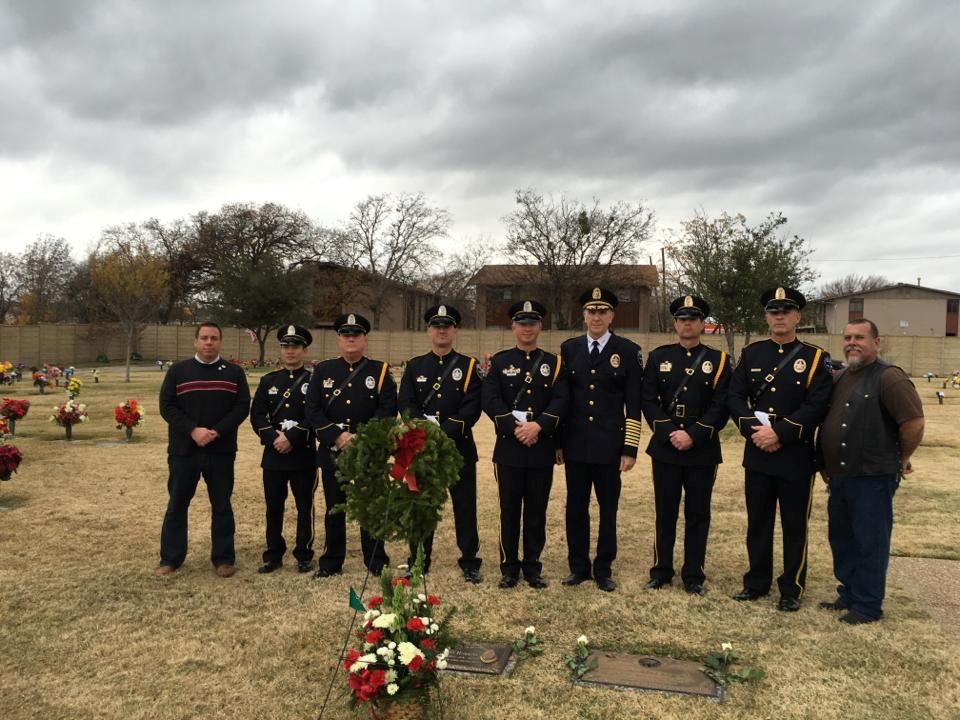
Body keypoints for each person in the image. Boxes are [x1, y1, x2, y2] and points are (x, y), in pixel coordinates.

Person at [728, 287, 832, 611]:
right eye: (774, 311)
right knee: (758, 523)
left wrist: (780, 433)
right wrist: (755, 431)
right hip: (757, 452)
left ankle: (792, 587)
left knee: (794, 525)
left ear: (797, 316)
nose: (779, 316)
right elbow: (734, 397)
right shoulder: (752, 354)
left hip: (795, 457)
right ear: (766, 317)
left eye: (786, 311)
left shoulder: (815, 358)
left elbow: (818, 405)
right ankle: (756, 583)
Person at [818, 318, 924, 624]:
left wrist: (901, 458)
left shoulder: (889, 378)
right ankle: (849, 592)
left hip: (872, 476)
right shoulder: (841, 376)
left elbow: (913, 423)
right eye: (848, 337)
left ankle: (867, 605)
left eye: (860, 337)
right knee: (843, 538)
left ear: (876, 342)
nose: (852, 342)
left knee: (870, 541)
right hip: (840, 476)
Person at [640, 295, 731, 595]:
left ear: (702, 324)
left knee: (698, 514)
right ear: (675, 324)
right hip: (666, 447)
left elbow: (722, 405)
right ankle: (661, 570)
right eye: (682, 319)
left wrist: (693, 433)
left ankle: (693, 574)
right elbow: (648, 400)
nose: (687, 323)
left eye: (693, 318)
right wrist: (669, 432)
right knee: (665, 512)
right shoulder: (658, 357)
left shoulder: (718, 361)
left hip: (701, 447)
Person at [557, 287, 643, 592]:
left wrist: (630, 448)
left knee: (608, 510)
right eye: (591, 311)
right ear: (583, 315)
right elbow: (562, 399)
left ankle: (603, 568)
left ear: (611, 316)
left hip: (610, 446)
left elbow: (634, 404)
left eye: (602, 311)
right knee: (575, 508)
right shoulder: (569, 349)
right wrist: (558, 443)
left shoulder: (628, 351)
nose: (596, 317)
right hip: (576, 444)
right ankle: (578, 567)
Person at [481, 300, 568, 589]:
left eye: (533, 323)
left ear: (540, 327)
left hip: (541, 445)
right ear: (513, 327)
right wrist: (514, 426)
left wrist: (539, 426)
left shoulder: (554, 363)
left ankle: (532, 567)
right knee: (508, 510)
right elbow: (490, 399)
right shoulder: (501, 362)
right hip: (509, 446)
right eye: (522, 323)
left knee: (536, 511)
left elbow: (561, 399)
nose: (527, 328)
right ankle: (509, 567)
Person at [305, 313, 398, 578]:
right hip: (333, 450)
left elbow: (388, 409)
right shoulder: (323, 370)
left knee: (371, 505)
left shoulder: (379, 370)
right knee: (335, 506)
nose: (351, 339)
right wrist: (337, 435)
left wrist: (362, 437)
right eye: (346, 334)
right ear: (339, 339)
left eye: (356, 334)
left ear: (364, 338)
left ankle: (376, 559)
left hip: (368, 451)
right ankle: (332, 560)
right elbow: (312, 409)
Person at [156, 322, 251, 577]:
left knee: (221, 504)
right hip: (184, 450)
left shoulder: (234, 373)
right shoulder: (178, 371)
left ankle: (223, 559)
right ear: (196, 341)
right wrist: (193, 430)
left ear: (220, 342)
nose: (209, 342)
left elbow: (242, 407)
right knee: (177, 503)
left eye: (214, 338)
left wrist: (216, 431)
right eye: (204, 338)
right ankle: (171, 558)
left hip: (220, 451)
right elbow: (167, 406)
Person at [398, 304, 483, 583]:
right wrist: (425, 431)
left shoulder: (469, 366)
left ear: (455, 330)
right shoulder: (414, 366)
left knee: (465, 506)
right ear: (428, 331)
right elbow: (406, 404)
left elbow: (472, 407)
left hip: (458, 448)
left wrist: (442, 432)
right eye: (437, 326)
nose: (442, 330)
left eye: (447, 326)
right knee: (421, 507)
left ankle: (469, 561)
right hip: (421, 449)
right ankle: (418, 560)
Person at [249, 325, 318, 574]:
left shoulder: (314, 381)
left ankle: (304, 553)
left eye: (295, 346)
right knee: (274, 506)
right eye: (286, 346)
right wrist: (273, 438)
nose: (290, 351)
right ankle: (273, 554)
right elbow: (257, 415)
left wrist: (292, 437)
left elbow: (315, 416)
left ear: (304, 349)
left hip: (303, 455)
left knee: (304, 506)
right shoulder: (269, 381)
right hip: (274, 455)